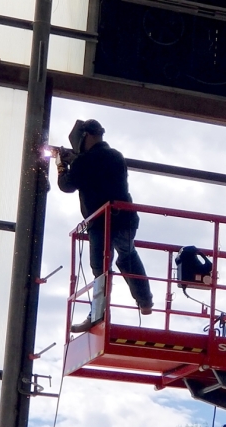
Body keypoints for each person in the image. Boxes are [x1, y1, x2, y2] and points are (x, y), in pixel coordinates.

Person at [56, 119, 153, 333]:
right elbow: (96, 173)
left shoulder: (85, 162)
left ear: (85, 136)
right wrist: (77, 161)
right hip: (126, 218)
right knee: (127, 255)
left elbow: (67, 185)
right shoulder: (116, 156)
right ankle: (145, 302)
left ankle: (97, 314)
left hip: (102, 222)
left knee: (101, 269)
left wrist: (61, 166)